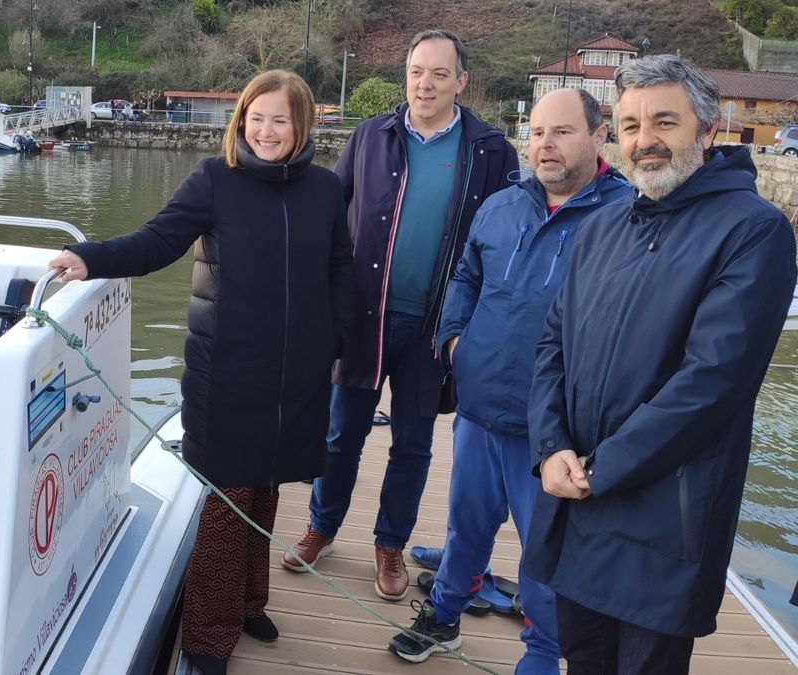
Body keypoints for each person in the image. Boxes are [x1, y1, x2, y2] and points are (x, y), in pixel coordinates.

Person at [47, 70, 353, 675]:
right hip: (229, 370)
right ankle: (208, 637)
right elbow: (159, 240)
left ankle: (247, 602)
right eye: (255, 118)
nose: (266, 131)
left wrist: (337, 338)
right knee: (227, 497)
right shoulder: (216, 180)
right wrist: (92, 256)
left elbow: (340, 268)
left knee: (266, 489)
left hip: (299, 371)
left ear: (302, 126)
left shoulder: (324, 189)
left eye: (280, 120)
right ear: (241, 121)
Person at [527, 54, 797, 674]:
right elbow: (552, 346)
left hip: (664, 523)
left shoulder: (752, 231)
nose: (644, 141)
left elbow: (712, 383)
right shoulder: (601, 228)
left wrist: (602, 467)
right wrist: (550, 448)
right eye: (629, 126)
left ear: (706, 131)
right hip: (577, 501)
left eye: (664, 122)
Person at [387, 88, 632, 670]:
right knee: (465, 527)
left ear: (599, 137)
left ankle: (544, 653)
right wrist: (455, 344)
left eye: (563, 131)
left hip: (555, 431)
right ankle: (444, 616)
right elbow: (465, 278)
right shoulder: (501, 206)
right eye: (538, 132)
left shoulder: (623, 218)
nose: (545, 144)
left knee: (545, 553)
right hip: (479, 408)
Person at [283, 29, 519, 602]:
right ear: (405, 75)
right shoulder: (369, 137)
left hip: (437, 327)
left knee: (413, 445)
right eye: (417, 71)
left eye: (440, 73)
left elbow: (508, 239)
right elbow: (330, 221)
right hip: (365, 318)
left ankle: (390, 543)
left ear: (462, 81)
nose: (426, 83)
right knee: (341, 435)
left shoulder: (491, 150)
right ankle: (322, 525)